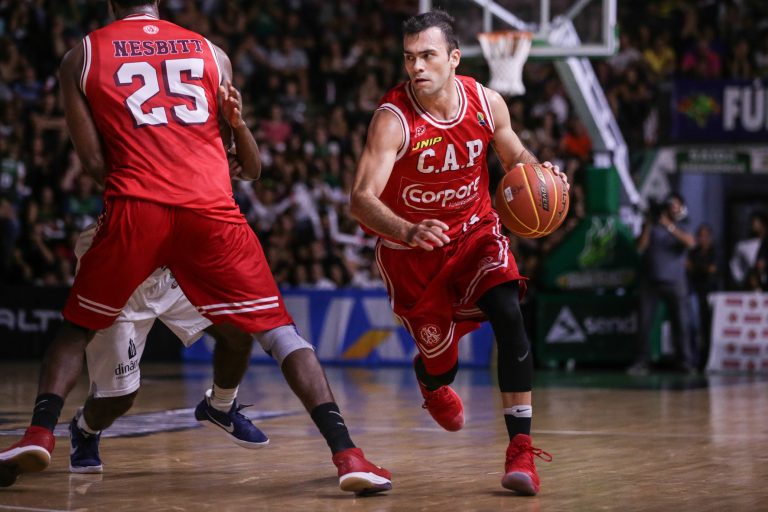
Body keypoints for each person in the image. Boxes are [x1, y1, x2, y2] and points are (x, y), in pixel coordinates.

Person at [0, 0, 390, 495]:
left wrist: (167, 164)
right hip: (204, 214)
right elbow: (240, 166)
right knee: (140, 387)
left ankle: (47, 430)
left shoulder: (82, 54)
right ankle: (347, 454)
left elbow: (96, 165)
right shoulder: (211, 52)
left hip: (138, 214)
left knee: (219, 333)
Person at [349, 10, 564, 496]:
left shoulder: (487, 103)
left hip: (475, 234)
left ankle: (521, 451)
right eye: (409, 57)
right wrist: (407, 229)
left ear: (454, 58)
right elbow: (361, 199)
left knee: (509, 314)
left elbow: (515, 156)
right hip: (412, 253)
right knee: (442, 365)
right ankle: (431, 381)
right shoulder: (393, 119)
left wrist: (541, 174)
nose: (416, 67)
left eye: (427, 56)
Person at [628, 193, 696, 375]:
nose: (672, 208)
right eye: (669, 204)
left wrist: (669, 226)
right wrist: (649, 224)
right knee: (644, 323)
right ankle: (642, 361)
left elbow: (690, 243)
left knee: (681, 323)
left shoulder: (683, 224)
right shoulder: (653, 225)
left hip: (676, 283)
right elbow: (640, 247)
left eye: (675, 205)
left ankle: (685, 361)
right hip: (651, 282)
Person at [686, 223, 718, 369]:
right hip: (695, 293)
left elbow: (712, 270)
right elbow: (688, 268)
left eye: (705, 236)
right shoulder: (693, 252)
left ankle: (706, 359)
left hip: (711, 295)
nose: (702, 239)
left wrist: (697, 267)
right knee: (694, 326)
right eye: (700, 236)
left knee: (708, 328)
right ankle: (695, 360)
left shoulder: (714, 252)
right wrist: (702, 268)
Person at [729, 210, 767, 289]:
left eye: (756, 222)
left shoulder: (765, 243)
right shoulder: (743, 245)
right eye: (752, 223)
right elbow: (734, 264)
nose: (753, 225)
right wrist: (741, 280)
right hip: (750, 286)